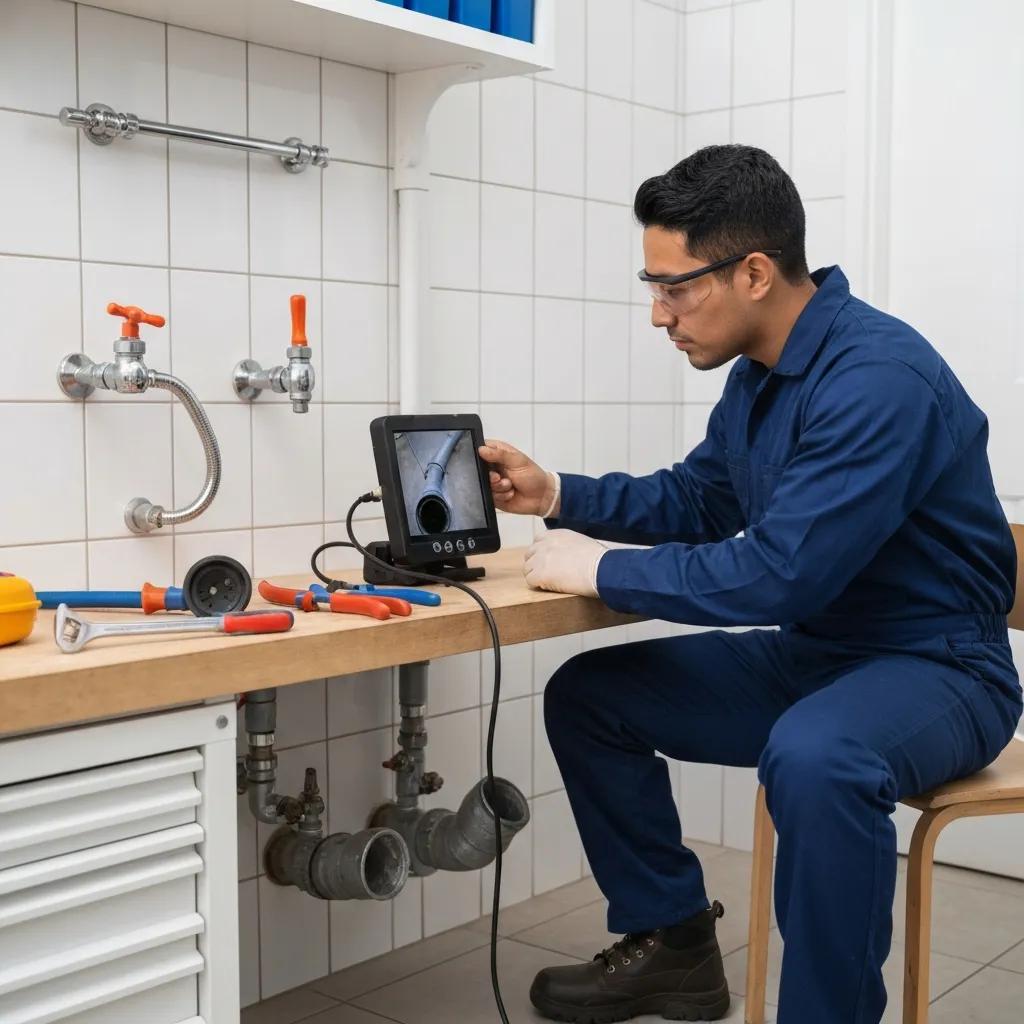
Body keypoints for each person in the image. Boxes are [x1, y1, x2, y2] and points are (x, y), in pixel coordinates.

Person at [477, 145, 1023, 1024]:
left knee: (818, 758)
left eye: (674, 286)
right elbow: (702, 496)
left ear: (755, 272)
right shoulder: (760, 376)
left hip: (943, 670)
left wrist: (605, 568)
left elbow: (781, 572)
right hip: (822, 658)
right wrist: (559, 496)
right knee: (590, 696)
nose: (658, 313)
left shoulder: (878, 378)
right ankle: (676, 948)